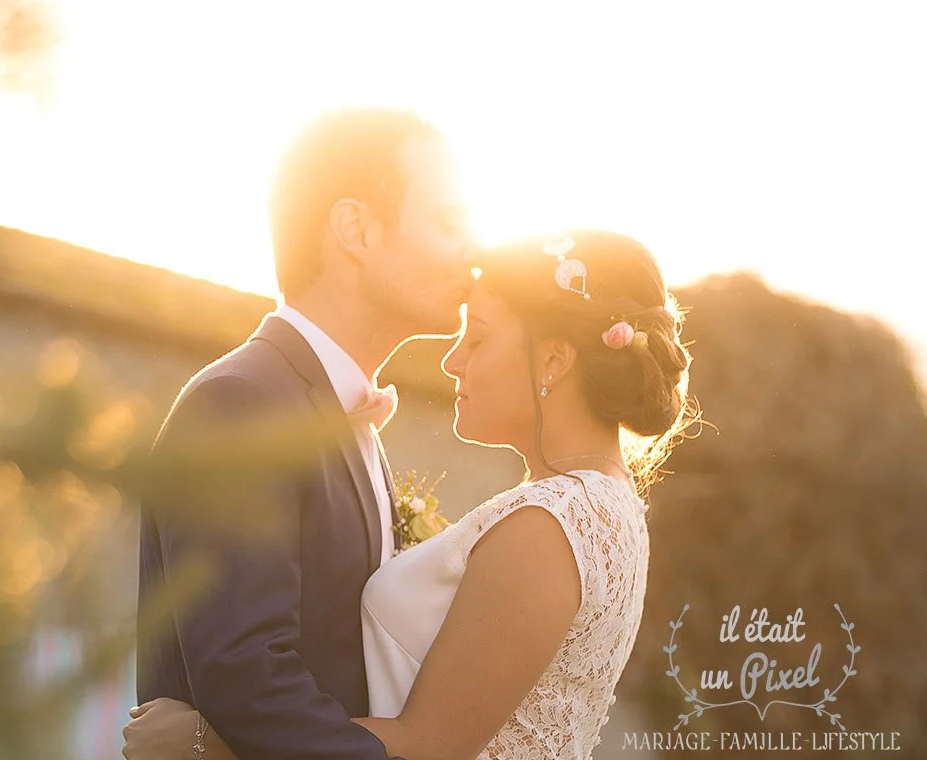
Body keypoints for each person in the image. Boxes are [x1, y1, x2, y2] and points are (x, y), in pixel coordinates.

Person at [126, 229, 694, 759]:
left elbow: (427, 747)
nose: (452, 359)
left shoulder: (550, 525)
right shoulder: (601, 508)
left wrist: (215, 744)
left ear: (553, 359)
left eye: (479, 339)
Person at [132, 107, 476, 760]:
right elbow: (246, 673)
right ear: (356, 230)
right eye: (450, 222)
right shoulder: (241, 404)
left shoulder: (345, 417)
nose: (475, 251)